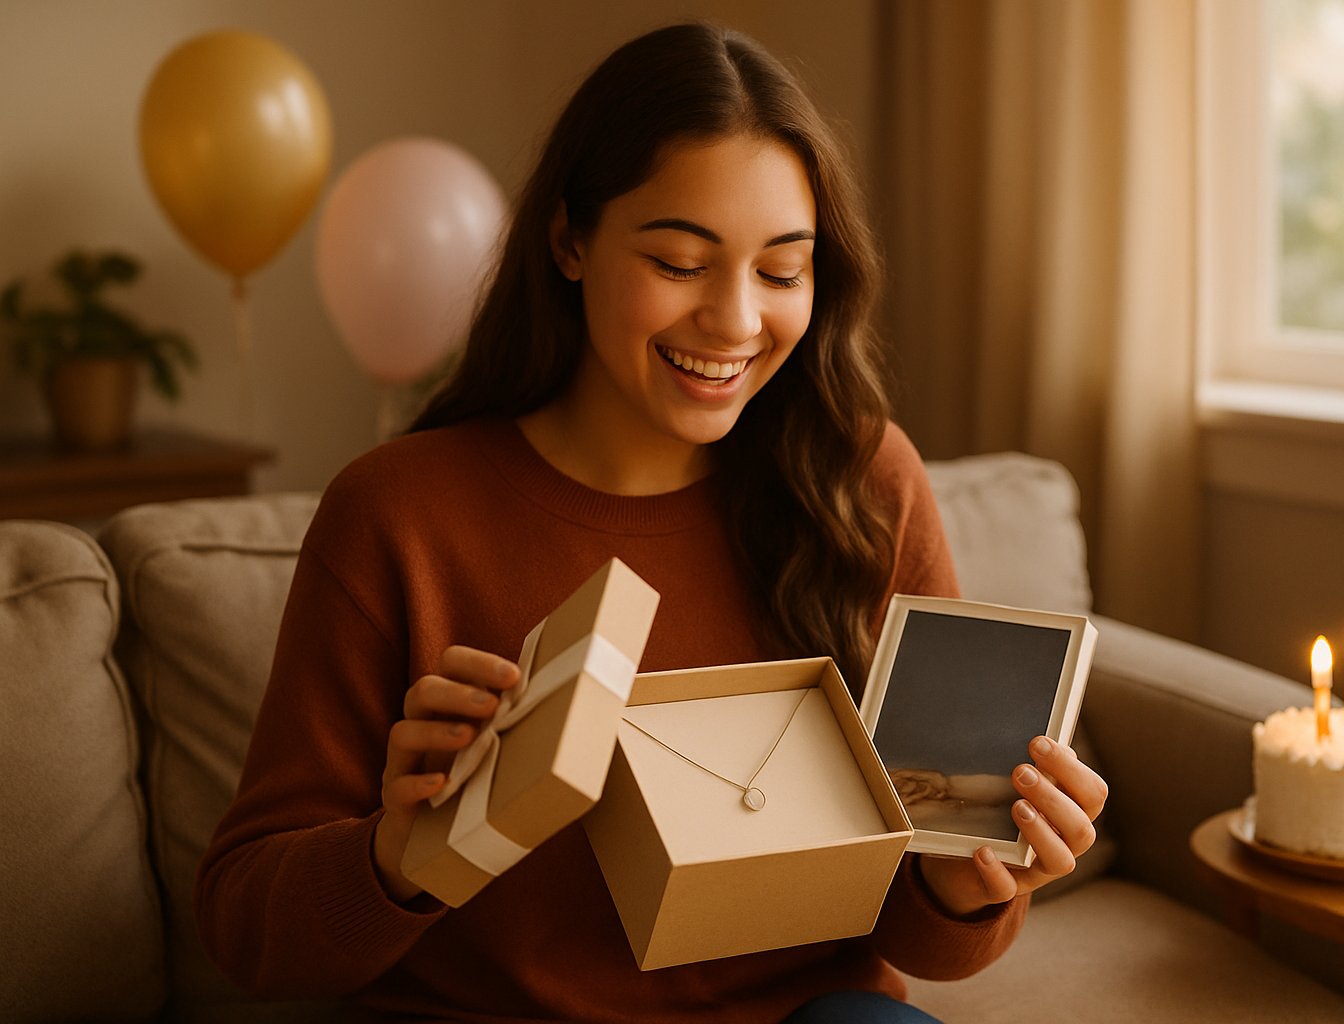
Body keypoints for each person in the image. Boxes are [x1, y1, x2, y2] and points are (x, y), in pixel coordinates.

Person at [195, 22, 1107, 1024]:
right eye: (680, 260)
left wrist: (971, 880)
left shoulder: (860, 479)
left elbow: (922, 939)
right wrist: (399, 849)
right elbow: (246, 929)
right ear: (569, 240)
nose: (734, 320)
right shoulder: (399, 513)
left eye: (781, 269)